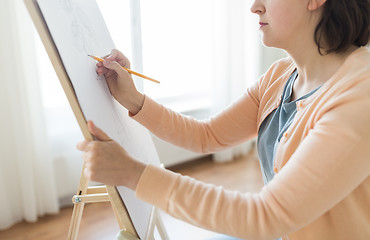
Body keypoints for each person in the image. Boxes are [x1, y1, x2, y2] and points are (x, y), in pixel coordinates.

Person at [76, 0, 370, 239]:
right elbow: (207, 135)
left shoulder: (359, 96)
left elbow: (266, 217)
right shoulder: (281, 75)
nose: (255, 6)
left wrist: (133, 174)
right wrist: (133, 99)